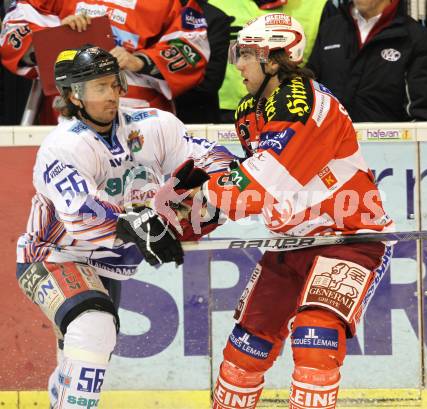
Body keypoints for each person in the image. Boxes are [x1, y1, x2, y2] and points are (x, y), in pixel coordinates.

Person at [157, 13, 395, 409]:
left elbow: (258, 187)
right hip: (291, 243)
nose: (238, 64)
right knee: (245, 348)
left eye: (246, 54)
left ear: (273, 59)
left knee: (314, 339)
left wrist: (197, 202)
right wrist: (179, 217)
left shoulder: (302, 105)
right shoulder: (252, 110)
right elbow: (248, 183)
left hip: (348, 239)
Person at [15, 45, 233, 408]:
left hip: (109, 263)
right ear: (73, 95)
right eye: (99, 86)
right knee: (93, 327)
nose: (112, 94)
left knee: (88, 345)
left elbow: (209, 156)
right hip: (54, 255)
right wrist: (137, 225)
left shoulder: (154, 125)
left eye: (114, 83)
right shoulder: (62, 146)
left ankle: (59, 396)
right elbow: (83, 214)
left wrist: (204, 190)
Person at [0, 0, 209, 124]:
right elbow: (13, 30)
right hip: (65, 113)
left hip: (140, 117)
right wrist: (56, 35)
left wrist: (140, 61)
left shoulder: (169, 3)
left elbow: (192, 46)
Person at [307, 0, 427, 122]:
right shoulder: (330, 29)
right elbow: (310, 89)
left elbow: (424, 115)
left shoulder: (417, 40)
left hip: (390, 146)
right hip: (331, 143)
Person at [208, 0, 338, 123]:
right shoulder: (215, 4)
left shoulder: (318, 6)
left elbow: (331, 67)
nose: (239, 65)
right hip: (227, 111)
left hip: (294, 108)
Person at [175, 0, 233, 124]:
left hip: (195, 119)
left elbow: (210, 81)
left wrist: (162, 88)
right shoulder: (149, 13)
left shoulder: (214, 18)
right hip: (146, 114)